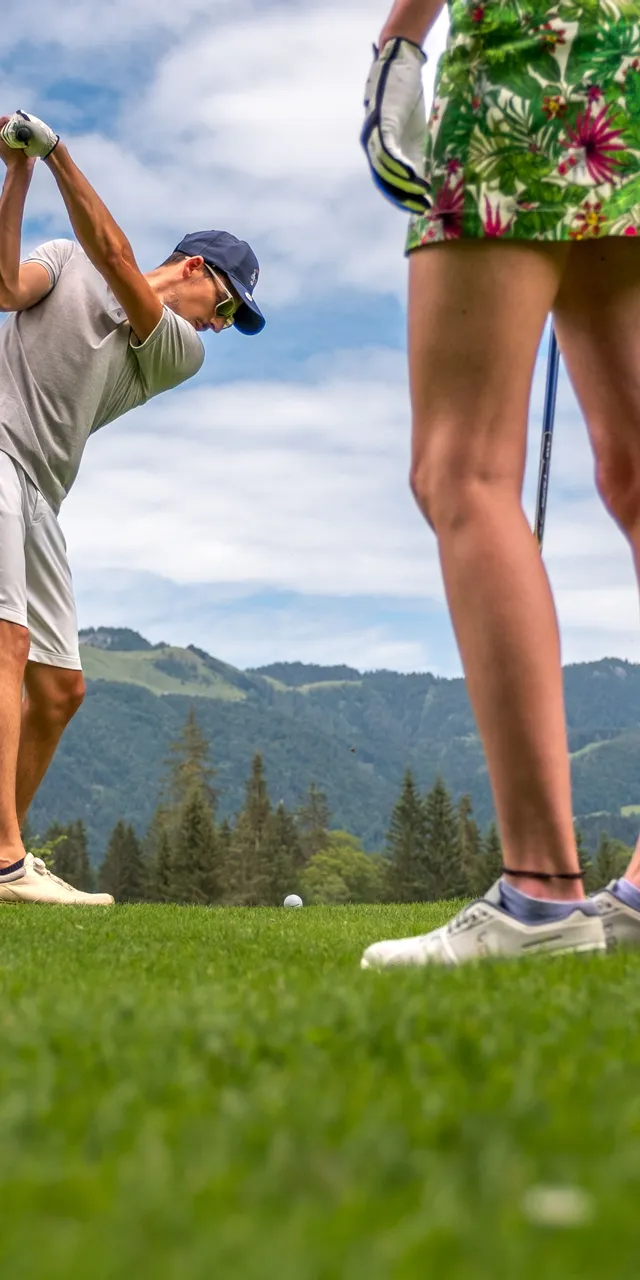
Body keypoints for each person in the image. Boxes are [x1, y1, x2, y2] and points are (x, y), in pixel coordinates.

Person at [360, 0, 640, 967]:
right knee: (638, 475)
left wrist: (401, 35)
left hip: (533, 48)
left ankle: (542, 896)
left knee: (462, 468)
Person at [0, 109, 265, 905]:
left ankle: (2, 847)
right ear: (193, 268)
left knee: (60, 689)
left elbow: (115, 257)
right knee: (9, 639)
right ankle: (6, 859)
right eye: (226, 303)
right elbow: (7, 286)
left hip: (40, 495)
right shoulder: (62, 262)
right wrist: (16, 169)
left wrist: (56, 155)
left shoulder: (178, 351)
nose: (222, 324)